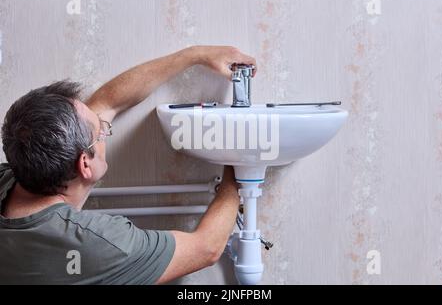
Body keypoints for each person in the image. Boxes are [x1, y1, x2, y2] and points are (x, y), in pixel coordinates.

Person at [0, 46, 257, 284]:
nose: (105, 126)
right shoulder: (98, 245)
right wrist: (237, 157)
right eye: (101, 132)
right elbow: (206, 247)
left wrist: (197, 55)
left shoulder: (12, 175)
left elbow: (107, 102)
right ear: (85, 164)